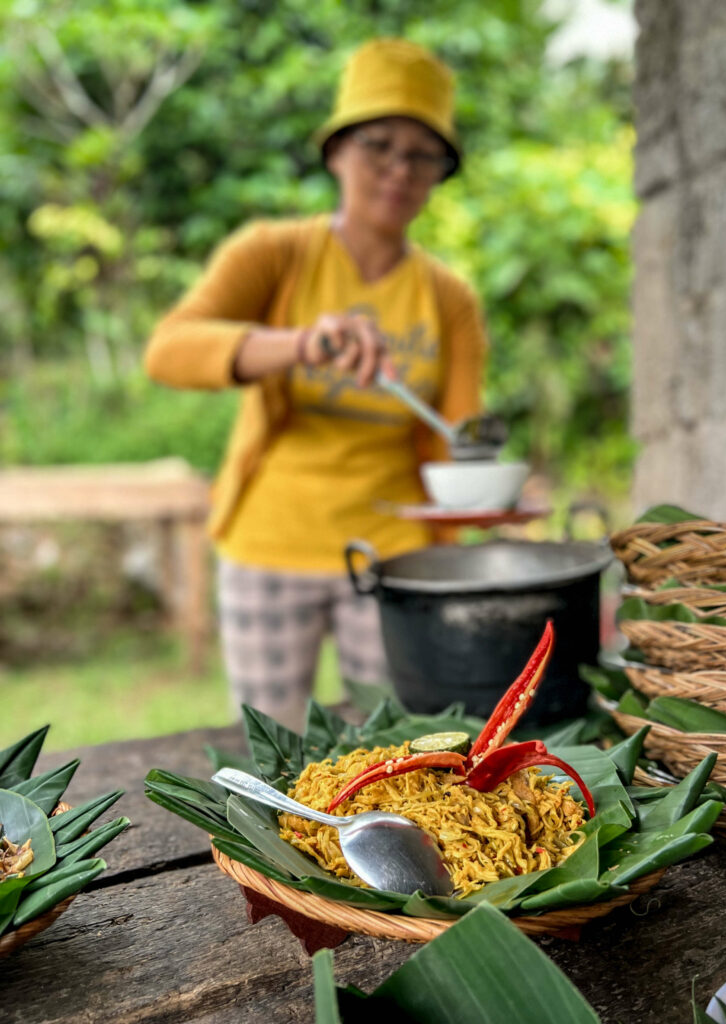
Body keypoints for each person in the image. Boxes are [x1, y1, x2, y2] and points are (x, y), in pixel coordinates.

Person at [144, 37, 487, 731]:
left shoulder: (448, 297)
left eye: (421, 154)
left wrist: (496, 493)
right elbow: (169, 351)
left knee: (396, 743)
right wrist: (299, 345)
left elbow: (460, 440)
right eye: (378, 144)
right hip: (270, 543)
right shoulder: (275, 254)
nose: (398, 168)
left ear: (439, 174)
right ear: (335, 152)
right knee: (271, 748)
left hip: (392, 557)